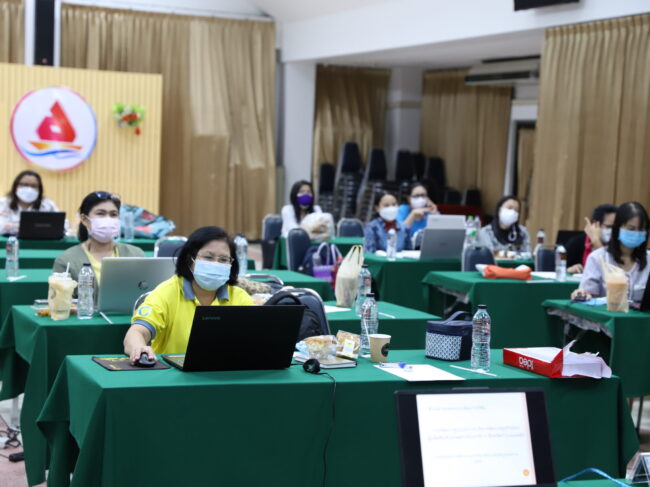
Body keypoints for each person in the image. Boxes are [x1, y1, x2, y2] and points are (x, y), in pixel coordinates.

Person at [124, 226, 254, 362]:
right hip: (172, 372)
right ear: (189, 259)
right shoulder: (167, 292)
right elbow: (137, 332)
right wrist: (138, 348)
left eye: (223, 260)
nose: (216, 264)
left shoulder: (240, 297)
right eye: (208, 257)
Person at [53, 192, 144, 293]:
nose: (108, 219)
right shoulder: (66, 260)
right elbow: (60, 299)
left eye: (113, 214)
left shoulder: (135, 254)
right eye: (100, 213)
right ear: (84, 219)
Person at [572, 202, 650, 303]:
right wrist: (584, 294)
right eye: (631, 229)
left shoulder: (648, 259)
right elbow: (587, 296)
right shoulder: (597, 257)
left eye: (641, 229)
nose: (636, 233)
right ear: (617, 228)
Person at [0, 170, 66, 234]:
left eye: (33, 186)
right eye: (24, 184)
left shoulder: (47, 205)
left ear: (39, 189)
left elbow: (64, 226)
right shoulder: (3, 203)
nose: (29, 189)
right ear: (16, 186)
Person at [566, 204, 617, 274]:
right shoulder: (576, 243)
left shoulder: (619, 245)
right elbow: (558, 269)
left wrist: (596, 242)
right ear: (595, 225)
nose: (613, 231)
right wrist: (569, 270)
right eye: (609, 227)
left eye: (616, 228)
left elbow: (611, 271)